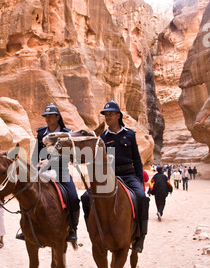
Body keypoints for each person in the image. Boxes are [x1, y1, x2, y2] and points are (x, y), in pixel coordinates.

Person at [81, 100, 150, 253]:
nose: (107, 117)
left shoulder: (129, 134)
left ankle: (140, 236)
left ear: (118, 115)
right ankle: (93, 232)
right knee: (86, 198)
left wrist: (139, 180)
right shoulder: (102, 138)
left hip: (128, 174)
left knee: (142, 198)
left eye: (110, 114)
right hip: (109, 176)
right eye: (105, 115)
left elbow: (137, 159)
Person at [16, 103, 80, 244]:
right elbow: (35, 155)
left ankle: (73, 229)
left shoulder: (66, 133)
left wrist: (49, 162)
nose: (47, 118)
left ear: (58, 117)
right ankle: (25, 227)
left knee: (73, 197)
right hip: (42, 173)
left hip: (61, 172)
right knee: (25, 193)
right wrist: (33, 170)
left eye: (51, 116)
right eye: (46, 116)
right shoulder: (41, 133)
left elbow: (68, 155)